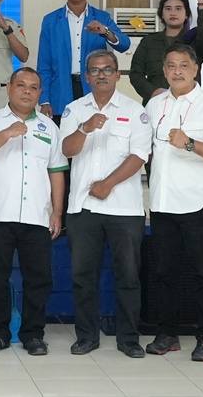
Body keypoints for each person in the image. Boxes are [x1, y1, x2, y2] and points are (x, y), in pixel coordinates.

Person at [0, 68, 67, 356]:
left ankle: (33, 334)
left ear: (39, 93)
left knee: (38, 278)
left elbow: (56, 171)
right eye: (21, 85)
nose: (27, 91)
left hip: (37, 214)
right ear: (9, 88)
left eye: (33, 87)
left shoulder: (49, 127)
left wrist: (57, 212)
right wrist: (6, 134)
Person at [144, 43, 203, 363]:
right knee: (164, 272)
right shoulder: (154, 104)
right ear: (164, 70)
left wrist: (191, 143)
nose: (177, 71)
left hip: (197, 205)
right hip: (162, 203)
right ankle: (167, 333)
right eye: (171, 65)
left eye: (184, 65)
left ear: (195, 69)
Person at [59, 50, 149, 358]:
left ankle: (129, 339)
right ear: (86, 76)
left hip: (124, 209)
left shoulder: (135, 111)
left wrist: (107, 184)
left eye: (107, 69)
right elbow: (67, 150)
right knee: (83, 277)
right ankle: (86, 337)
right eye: (95, 70)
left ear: (117, 74)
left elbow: (139, 155)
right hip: (83, 208)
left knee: (128, 276)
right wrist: (84, 128)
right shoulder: (73, 110)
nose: (101, 75)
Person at [36, 0, 128, 121]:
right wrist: (44, 100)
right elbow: (44, 65)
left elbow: (124, 44)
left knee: (96, 133)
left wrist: (105, 31)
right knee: (64, 135)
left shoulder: (101, 17)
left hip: (94, 88)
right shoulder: (51, 20)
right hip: (61, 92)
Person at [129, 0, 203, 101]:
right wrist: (153, 92)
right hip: (156, 102)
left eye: (178, 8)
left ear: (186, 15)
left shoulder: (194, 39)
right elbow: (135, 74)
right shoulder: (149, 41)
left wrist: (201, 0)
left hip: (188, 103)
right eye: (168, 9)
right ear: (162, 14)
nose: (173, 13)